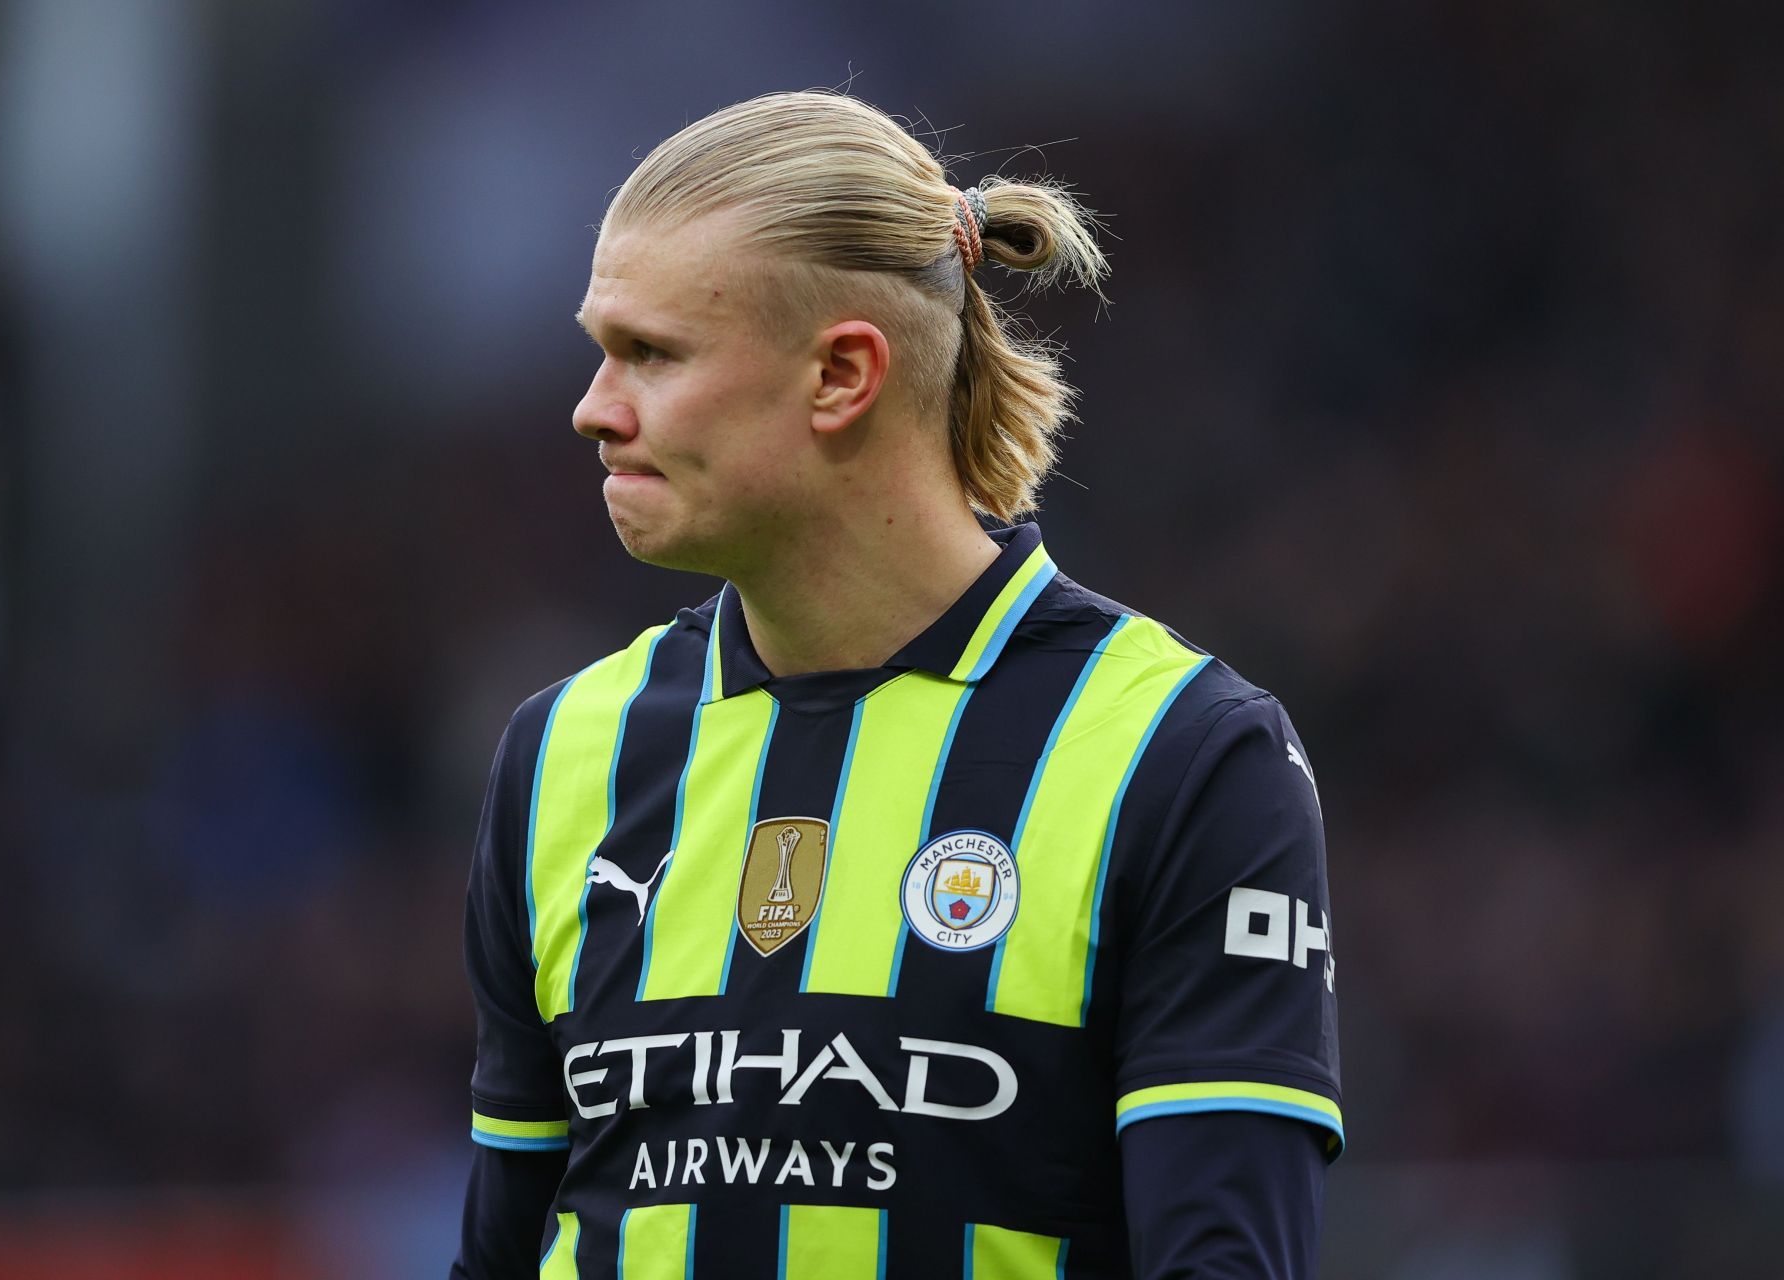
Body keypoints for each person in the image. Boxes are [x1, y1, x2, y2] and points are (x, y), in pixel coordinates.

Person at [452, 91, 1340, 1279]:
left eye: (650, 354)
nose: (594, 409)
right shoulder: (564, 750)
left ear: (841, 374)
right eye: (600, 348)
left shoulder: (1179, 754)